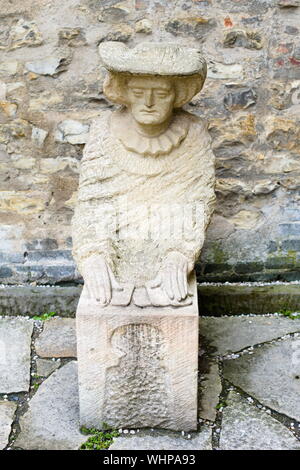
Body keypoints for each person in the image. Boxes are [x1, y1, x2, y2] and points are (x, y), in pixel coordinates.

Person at [72, 42, 216, 307]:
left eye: (160, 93)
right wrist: (93, 255)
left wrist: (179, 255)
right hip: (114, 250)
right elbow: (92, 203)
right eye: (138, 91)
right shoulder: (104, 131)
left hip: (168, 247)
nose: (148, 102)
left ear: (176, 96)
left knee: (171, 299)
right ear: (124, 92)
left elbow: (196, 200)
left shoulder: (193, 132)